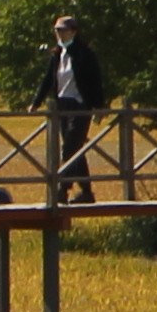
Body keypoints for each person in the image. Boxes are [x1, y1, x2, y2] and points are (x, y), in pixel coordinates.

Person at [44, 13, 105, 201]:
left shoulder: (84, 53)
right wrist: (36, 102)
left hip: (80, 104)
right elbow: (48, 80)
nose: (59, 34)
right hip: (63, 104)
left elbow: (95, 80)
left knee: (69, 148)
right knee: (75, 149)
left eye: (63, 30)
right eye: (57, 30)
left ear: (73, 32)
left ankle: (62, 189)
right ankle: (87, 192)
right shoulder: (57, 54)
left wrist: (98, 106)